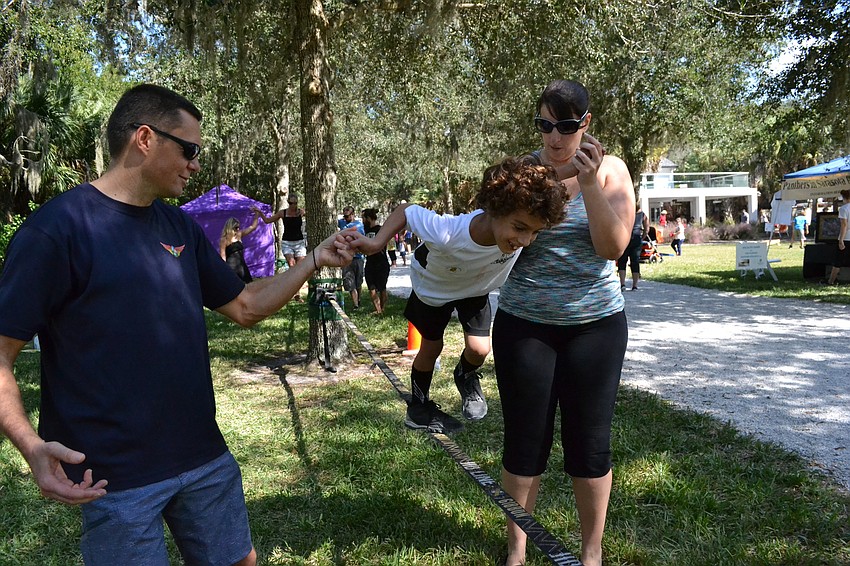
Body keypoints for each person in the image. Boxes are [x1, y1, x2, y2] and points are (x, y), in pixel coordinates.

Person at [0, 84, 354, 566]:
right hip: (113, 479)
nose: (195, 164)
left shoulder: (178, 227)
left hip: (203, 456)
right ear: (144, 138)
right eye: (189, 150)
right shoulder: (54, 232)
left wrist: (313, 259)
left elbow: (246, 305)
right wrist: (30, 445)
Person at [492, 79, 634, 566]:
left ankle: (590, 553)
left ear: (585, 124)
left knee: (590, 444)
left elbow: (612, 248)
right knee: (524, 441)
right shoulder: (525, 172)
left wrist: (588, 182)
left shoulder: (612, 172)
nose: (555, 138)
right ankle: (517, 550)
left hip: (595, 325)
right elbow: (489, 235)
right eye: (545, 126)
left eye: (566, 127)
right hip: (525, 325)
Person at [349, 157, 568, 434]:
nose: (524, 242)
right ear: (494, 209)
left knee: (479, 350)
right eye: (520, 228)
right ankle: (419, 407)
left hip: (474, 289)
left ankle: (464, 375)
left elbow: (541, 180)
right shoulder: (448, 232)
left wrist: (586, 170)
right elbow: (406, 210)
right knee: (431, 348)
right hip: (434, 289)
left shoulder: (518, 225)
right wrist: (376, 242)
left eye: (535, 232)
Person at [255, 193, 307, 300]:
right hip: (287, 242)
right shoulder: (283, 213)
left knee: (300, 268)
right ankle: (296, 294)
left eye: (296, 203)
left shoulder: (300, 212)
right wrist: (260, 213)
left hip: (299, 242)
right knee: (292, 267)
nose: (294, 205)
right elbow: (267, 220)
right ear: (288, 203)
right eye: (292, 203)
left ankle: (297, 290)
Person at [362, 208, 391, 314]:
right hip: (370, 262)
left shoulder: (380, 230)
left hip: (381, 262)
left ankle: (383, 309)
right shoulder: (365, 231)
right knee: (371, 287)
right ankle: (377, 310)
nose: (362, 221)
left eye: (364, 218)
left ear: (368, 218)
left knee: (382, 287)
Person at [220, 213, 261, 283]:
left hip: (242, 265)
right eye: (236, 228)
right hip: (231, 267)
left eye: (238, 227)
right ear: (230, 228)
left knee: (248, 285)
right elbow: (223, 256)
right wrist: (225, 270)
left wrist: (256, 216)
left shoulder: (239, 234)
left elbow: (253, 227)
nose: (238, 229)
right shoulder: (224, 239)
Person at [339, 206, 366, 309]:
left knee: (358, 280)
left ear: (353, 214)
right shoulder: (341, 223)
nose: (345, 218)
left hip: (358, 257)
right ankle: (355, 304)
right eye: (344, 216)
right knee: (349, 281)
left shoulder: (359, 225)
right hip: (346, 258)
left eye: (347, 216)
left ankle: (359, 299)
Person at [617, 203, 649, 291]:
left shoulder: (624, 212)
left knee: (622, 261)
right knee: (635, 262)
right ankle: (635, 285)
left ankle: (622, 284)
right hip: (636, 239)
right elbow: (647, 229)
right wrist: (642, 237)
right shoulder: (643, 215)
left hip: (625, 238)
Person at [824, 189, 850, 285]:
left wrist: (841, 240)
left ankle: (831, 281)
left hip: (846, 237)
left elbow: (844, 225)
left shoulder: (844, 209)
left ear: (845, 198)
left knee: (838, 260)